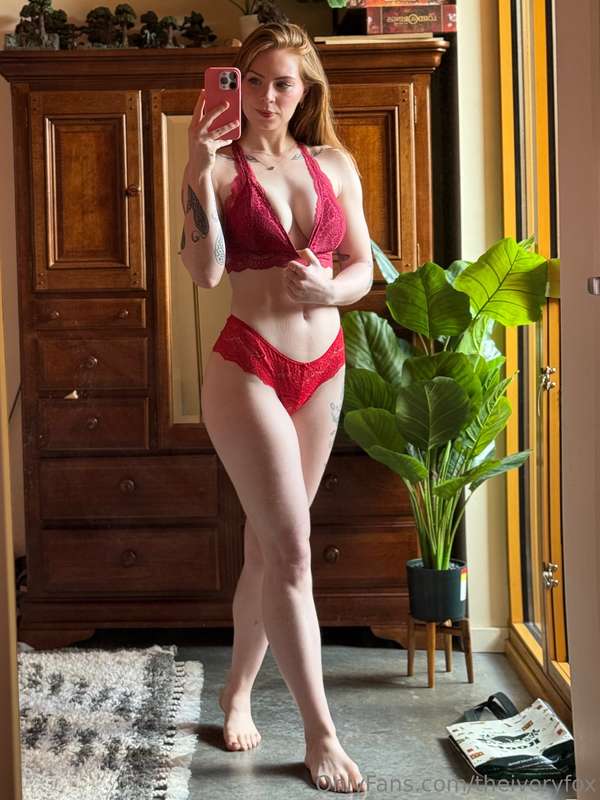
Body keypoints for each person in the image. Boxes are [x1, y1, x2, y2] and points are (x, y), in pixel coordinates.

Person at [180, 21, 373, 794]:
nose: (264, 96)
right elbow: (205, 272)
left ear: (306, 89)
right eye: (252, 80)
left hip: (324, 369)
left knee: (267, 551)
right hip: (249, 368)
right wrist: (196, 171)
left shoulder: (335, 163)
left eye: (281, 82)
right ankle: (322, 734)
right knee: (291, 550)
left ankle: (235, 692)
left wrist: (331, 288)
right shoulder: (221, 168)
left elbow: (360, 266)